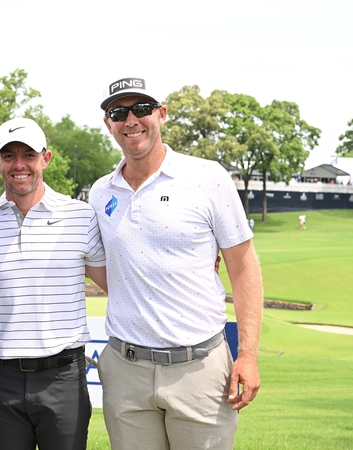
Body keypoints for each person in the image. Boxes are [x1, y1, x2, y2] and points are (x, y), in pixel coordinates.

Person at [88, 77, 264, 449]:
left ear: (161, 115)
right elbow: (111, 268)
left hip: (199, 369)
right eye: (119, 112)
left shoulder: (207, 177)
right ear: (109, 124)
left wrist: (247, 355)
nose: (131, 120)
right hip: (126, 370)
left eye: (142, 109)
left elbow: (243, 266)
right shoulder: (100, 191)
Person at [0, 117, 107, 450]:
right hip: (1, 377)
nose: (19, 164)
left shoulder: (80, 216)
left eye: (28, 154)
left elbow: (117, 283)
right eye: (9, 155)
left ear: (46, 158)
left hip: (63, 377)